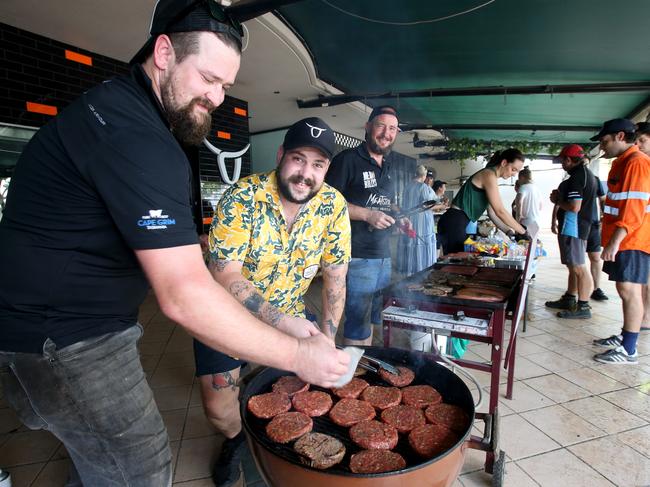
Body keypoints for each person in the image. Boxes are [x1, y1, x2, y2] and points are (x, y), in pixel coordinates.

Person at [0, 2, 349, 485]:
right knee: (140, 470)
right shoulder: (137, 137)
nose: (217, 97)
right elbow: (186, 293)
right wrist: (296, 355)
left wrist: (297, 325)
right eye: (208, 78)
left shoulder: (117, 109)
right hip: (66, 337)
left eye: (226, 86)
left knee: (100, 458)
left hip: (53, 324)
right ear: (164, 52)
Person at [195, 117, 350, 486]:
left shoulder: (333, 204)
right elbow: (226, 274)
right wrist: (284, 323)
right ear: (281, 156)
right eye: (298, 159)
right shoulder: (242, 196)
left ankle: (288, 440)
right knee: (218, 407)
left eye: (318, 164)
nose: (305, 174)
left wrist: (326, 337)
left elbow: (336, 277)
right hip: (226, 313)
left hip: (293, 309)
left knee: (305, 389)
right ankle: (235, 440)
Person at [325, 105, 405, 346]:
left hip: (382, 255)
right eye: (381, 126)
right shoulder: (347, 160)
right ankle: (351, 376)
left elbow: (386, 203)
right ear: (368, 127)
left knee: (371, 318)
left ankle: (362, 365)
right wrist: (367, 215)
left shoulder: (388, 167)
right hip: (357, 255)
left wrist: (399, 217)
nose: (386, 133)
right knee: (357, 321)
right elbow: (327, 203)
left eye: (392, 128)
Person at [590, 119, 650, 364]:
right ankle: (626, 336)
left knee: (629, 290)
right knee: (624, 290)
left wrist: (615, 241)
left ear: (621, 136)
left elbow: (634, 209)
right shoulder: (622, 163)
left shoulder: (637, 163)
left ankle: (629, 349)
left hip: (632, 239)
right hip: (625, 238)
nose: (602, 147)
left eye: (605, 141)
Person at [437, 148, 528, 254]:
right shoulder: (489, 175)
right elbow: (500, 211)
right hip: (454, 221)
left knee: (458, 262)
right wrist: (523, 232)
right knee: (455, 263)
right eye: (513, 169)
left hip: (456, 222)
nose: (514, 174)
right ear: (504, 163)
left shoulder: (490, 176)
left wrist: (509, 232)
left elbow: (492, 213)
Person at [546, 144, 599, 319]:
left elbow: (574, 207)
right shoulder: (586, 175)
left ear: (568, 160)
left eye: (562, 160)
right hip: (577, 226)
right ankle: (570, 297)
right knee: (573, 266)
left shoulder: (578, 177)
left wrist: (557, 200)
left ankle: (583, 306)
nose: (562, 163)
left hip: (574, 226)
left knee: (579, 267)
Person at [396, 165, 439, 275]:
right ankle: (422, 272)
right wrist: (441, 206)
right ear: (424, 176)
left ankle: (409, 272)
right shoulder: (423, 187)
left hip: (408, 219)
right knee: (422, 244)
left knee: (411, 243)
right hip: (422, 221)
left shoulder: (407, 187)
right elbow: (427, 205)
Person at [634, 121, 650, 332]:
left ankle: (646, 318)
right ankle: (643, 317)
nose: (638, 145)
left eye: (643, 141)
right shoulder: (642, 164)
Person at [587, 176, 609, 301]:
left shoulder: (594, 180)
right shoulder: (571, 181)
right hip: (576, 226)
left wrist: (603, 217)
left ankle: (596, 288)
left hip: (593, 224)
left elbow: (602, 199)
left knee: (595, 257)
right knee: (575, 262)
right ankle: (573, 292)